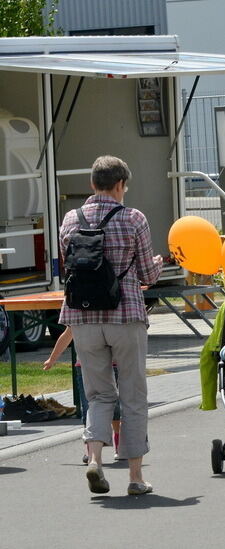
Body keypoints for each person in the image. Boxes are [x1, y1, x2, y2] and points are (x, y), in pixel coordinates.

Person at [58, 155, 163, 495]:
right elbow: (147, 275)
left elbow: (69, 269)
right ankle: (135, 477)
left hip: (82, 318)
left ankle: (95, 461)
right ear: (121, 184)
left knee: (99, 395)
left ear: (92, 184)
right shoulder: (133, 218)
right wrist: (159, 263)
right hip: (124, 315)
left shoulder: (70, 220)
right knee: (133, 394)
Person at [43, 327, 121, 463]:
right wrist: (52, 358)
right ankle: (90, 449)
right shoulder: (78, 311)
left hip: (111, 363)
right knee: (87, 407)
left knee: (114, 408)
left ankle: (119, 441)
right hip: (84, 365)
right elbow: (68, 334)